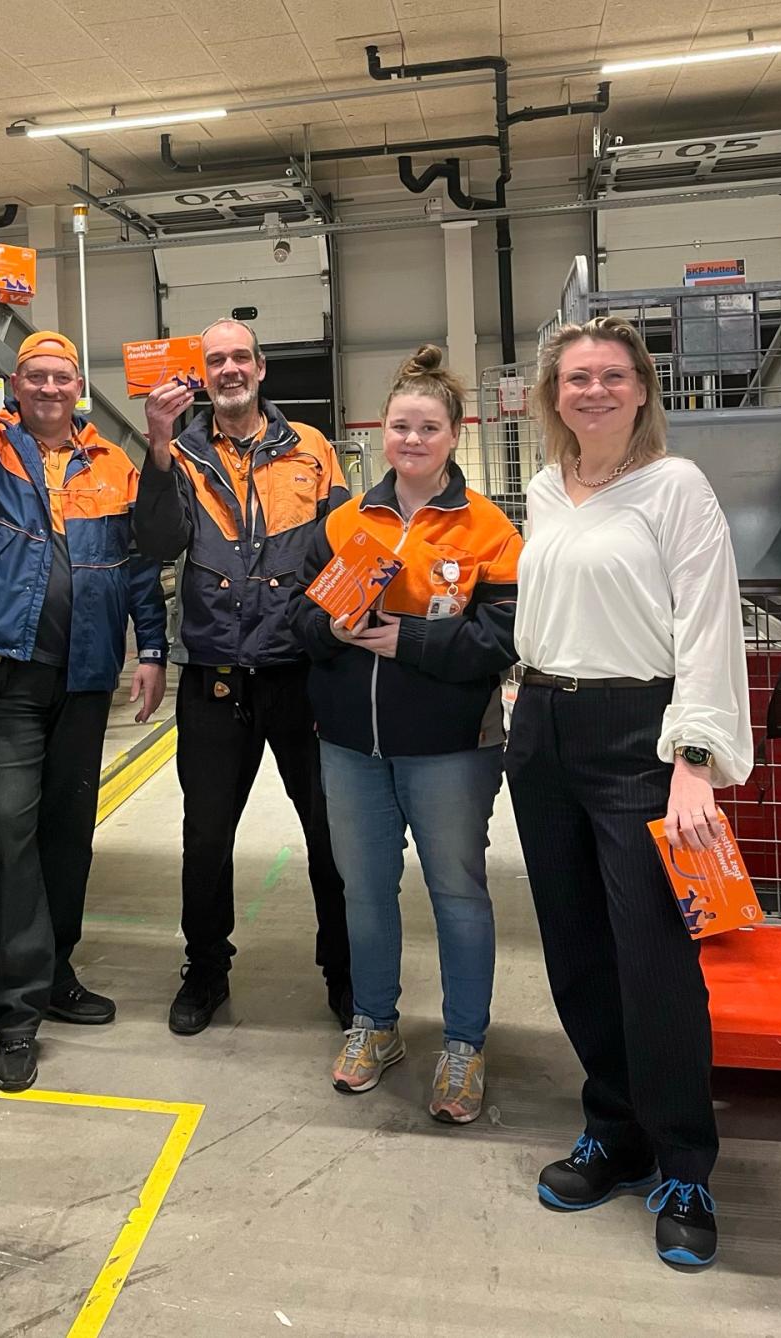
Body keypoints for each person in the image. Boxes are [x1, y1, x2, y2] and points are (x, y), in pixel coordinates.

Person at [507, 315, 752, 1272]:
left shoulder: (675, 487)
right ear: (553, 394)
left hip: (638, 739)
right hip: (543, 727)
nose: (595, 390)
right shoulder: (544, 490)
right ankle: (614, 1131)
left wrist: (693, 760)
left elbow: (708, 623)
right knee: (574, 950)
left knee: (653, 958)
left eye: (613, 375)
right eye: (577, 378)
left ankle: (685, 1162)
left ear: (643, 389)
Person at [0, 275, 167, 1093]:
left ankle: (56, 971)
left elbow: (138, 566)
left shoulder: (112, 464)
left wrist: (152, 648)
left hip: (86, 675)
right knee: (6, 827)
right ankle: (14, 1011)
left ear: (78, 386)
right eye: (36, 375)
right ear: (17, 384)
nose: (51, 388)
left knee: (67, 832)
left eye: (63, 376)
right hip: (1, 673)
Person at [288, 345, 520, 1123]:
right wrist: (332, 627)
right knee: (364, 890)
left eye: (428, 427)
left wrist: (411, 640)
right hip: (351, 745)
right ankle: (374, 1025)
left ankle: (463, 1045)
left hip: (451, 749)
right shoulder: (343, 522)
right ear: (379, 432)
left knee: (457, 892)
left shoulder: (488, 528)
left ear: (455, 433)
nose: (412, 439)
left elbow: (506, 636)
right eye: (399, 426)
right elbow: (299, 619)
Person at [136, 319, 352, 1035]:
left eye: (239, 358)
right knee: (205, 838)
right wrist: (158, 443)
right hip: (214, 675)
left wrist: (338, 646)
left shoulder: (313, 448)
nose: (229, 369)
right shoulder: (180, 454)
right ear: (202, 376)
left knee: (330, 834)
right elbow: (158, 541)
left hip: (299, 674)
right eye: (215, 361)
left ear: (260, 368)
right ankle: (205, 971)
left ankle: (345, 973)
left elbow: (345, 551)